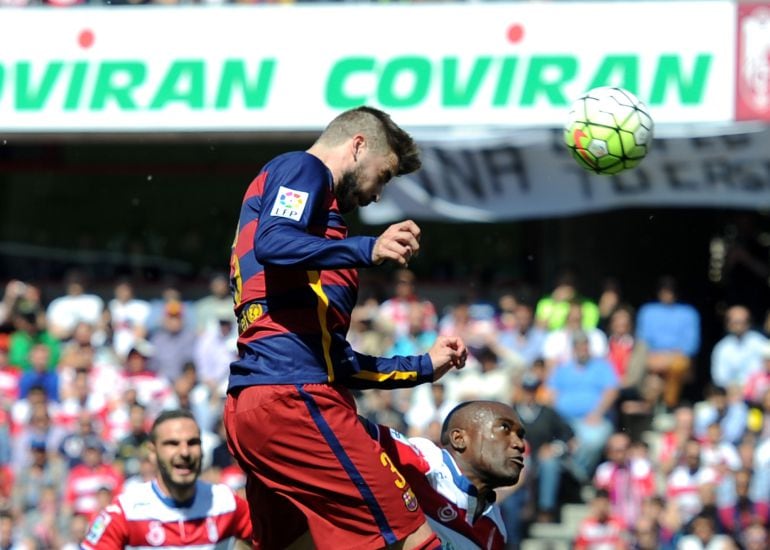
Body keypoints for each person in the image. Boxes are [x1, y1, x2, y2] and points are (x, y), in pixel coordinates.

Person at [224, 106, 468, 550]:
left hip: (258, 405)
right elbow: (274, 242)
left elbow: (333, 360)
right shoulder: (304, 168)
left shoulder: (316, 238)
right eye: (385, 174)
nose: (378, 195)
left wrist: (423, 366)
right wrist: (368, 247)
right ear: (358, 145)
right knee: (411, 537)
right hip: (291, 399)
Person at [363, 400, 526, 550]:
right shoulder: (425, 460)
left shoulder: (495, 528)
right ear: (459, 439)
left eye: (520, 435)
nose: (519, 444)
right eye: (505, 428)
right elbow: (348, 425)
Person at [81, 409, 251, 549]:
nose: (185, 453)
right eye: (172, 443)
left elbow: (271, 539)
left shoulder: (226, 502)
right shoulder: (126, 512)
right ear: (152, 452)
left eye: (192, 443)